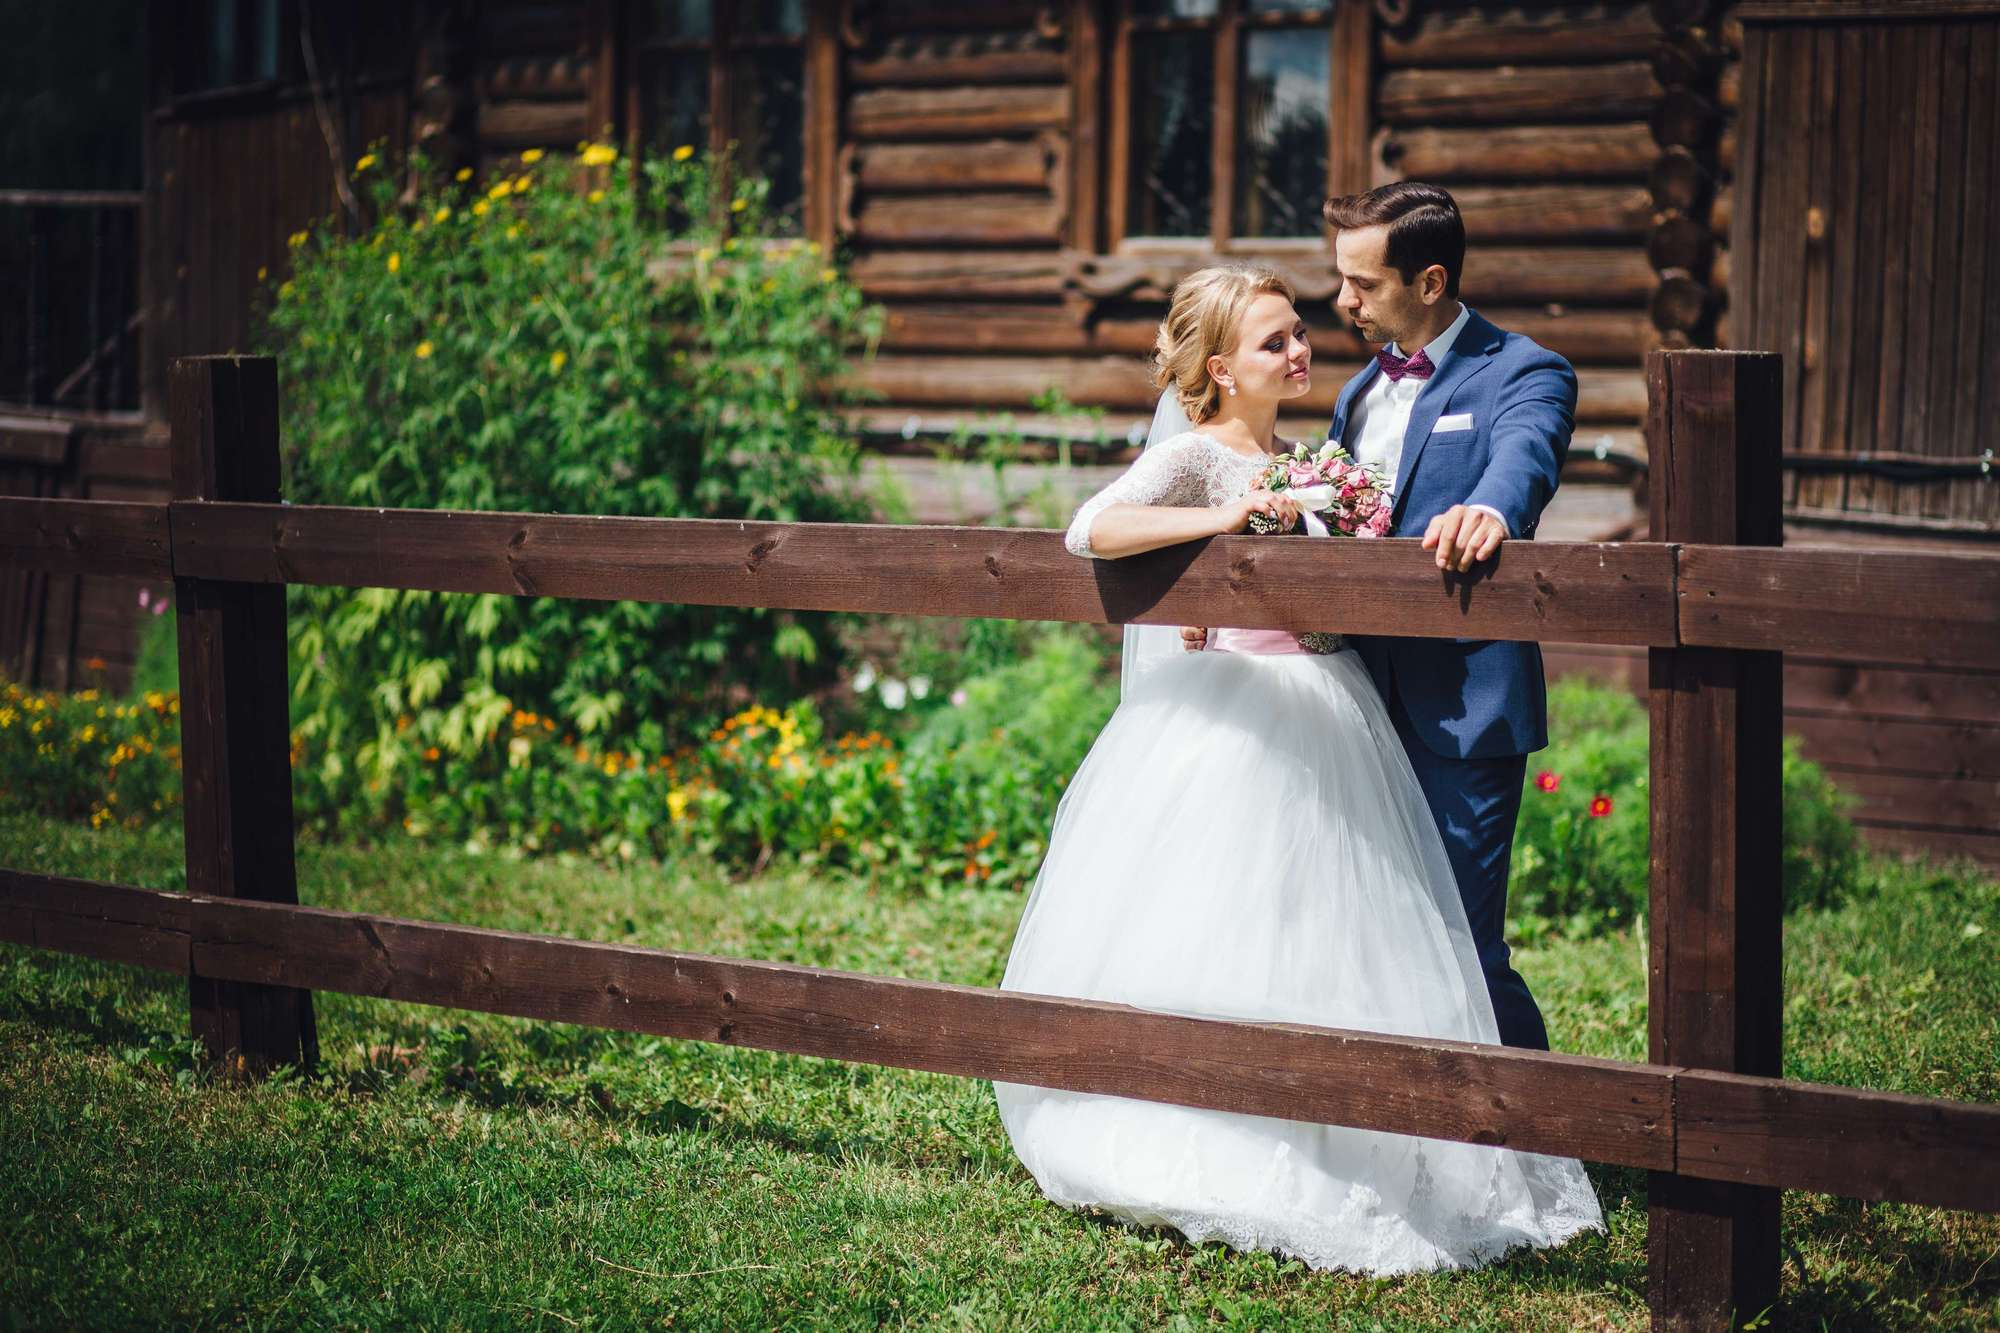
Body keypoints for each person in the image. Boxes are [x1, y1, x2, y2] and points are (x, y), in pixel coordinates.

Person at [991, 263, 1600, 1274]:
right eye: (1275, 341)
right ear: (1222, 368)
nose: (1301, 350)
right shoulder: (1194, 457)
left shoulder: (1319, 458)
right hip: (1230, 714)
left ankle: (1359, 1124)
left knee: (1339, 923)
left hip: (1331, 702)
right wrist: (1222, 525)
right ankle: (1215, 1122)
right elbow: (1090, 527)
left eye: (1298, 335)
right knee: (1225, 920)